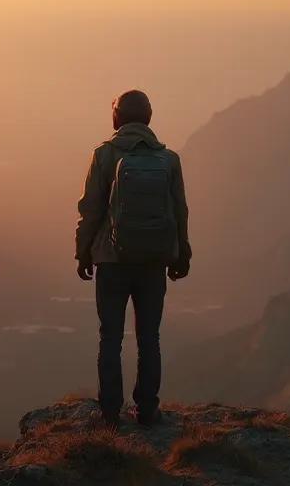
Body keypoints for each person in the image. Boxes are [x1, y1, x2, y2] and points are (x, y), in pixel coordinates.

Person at [74, 89, 192, 427]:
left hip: (110, 261)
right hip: (154, 260)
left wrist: (83, 252)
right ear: (149, 118)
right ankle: (147, 409)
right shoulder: (169, 160)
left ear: (117, 118)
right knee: (149, 337)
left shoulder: (103, 155)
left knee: (110, 337)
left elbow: (90, 211)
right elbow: (179, 211)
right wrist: (181, 253)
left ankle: (110, 412)